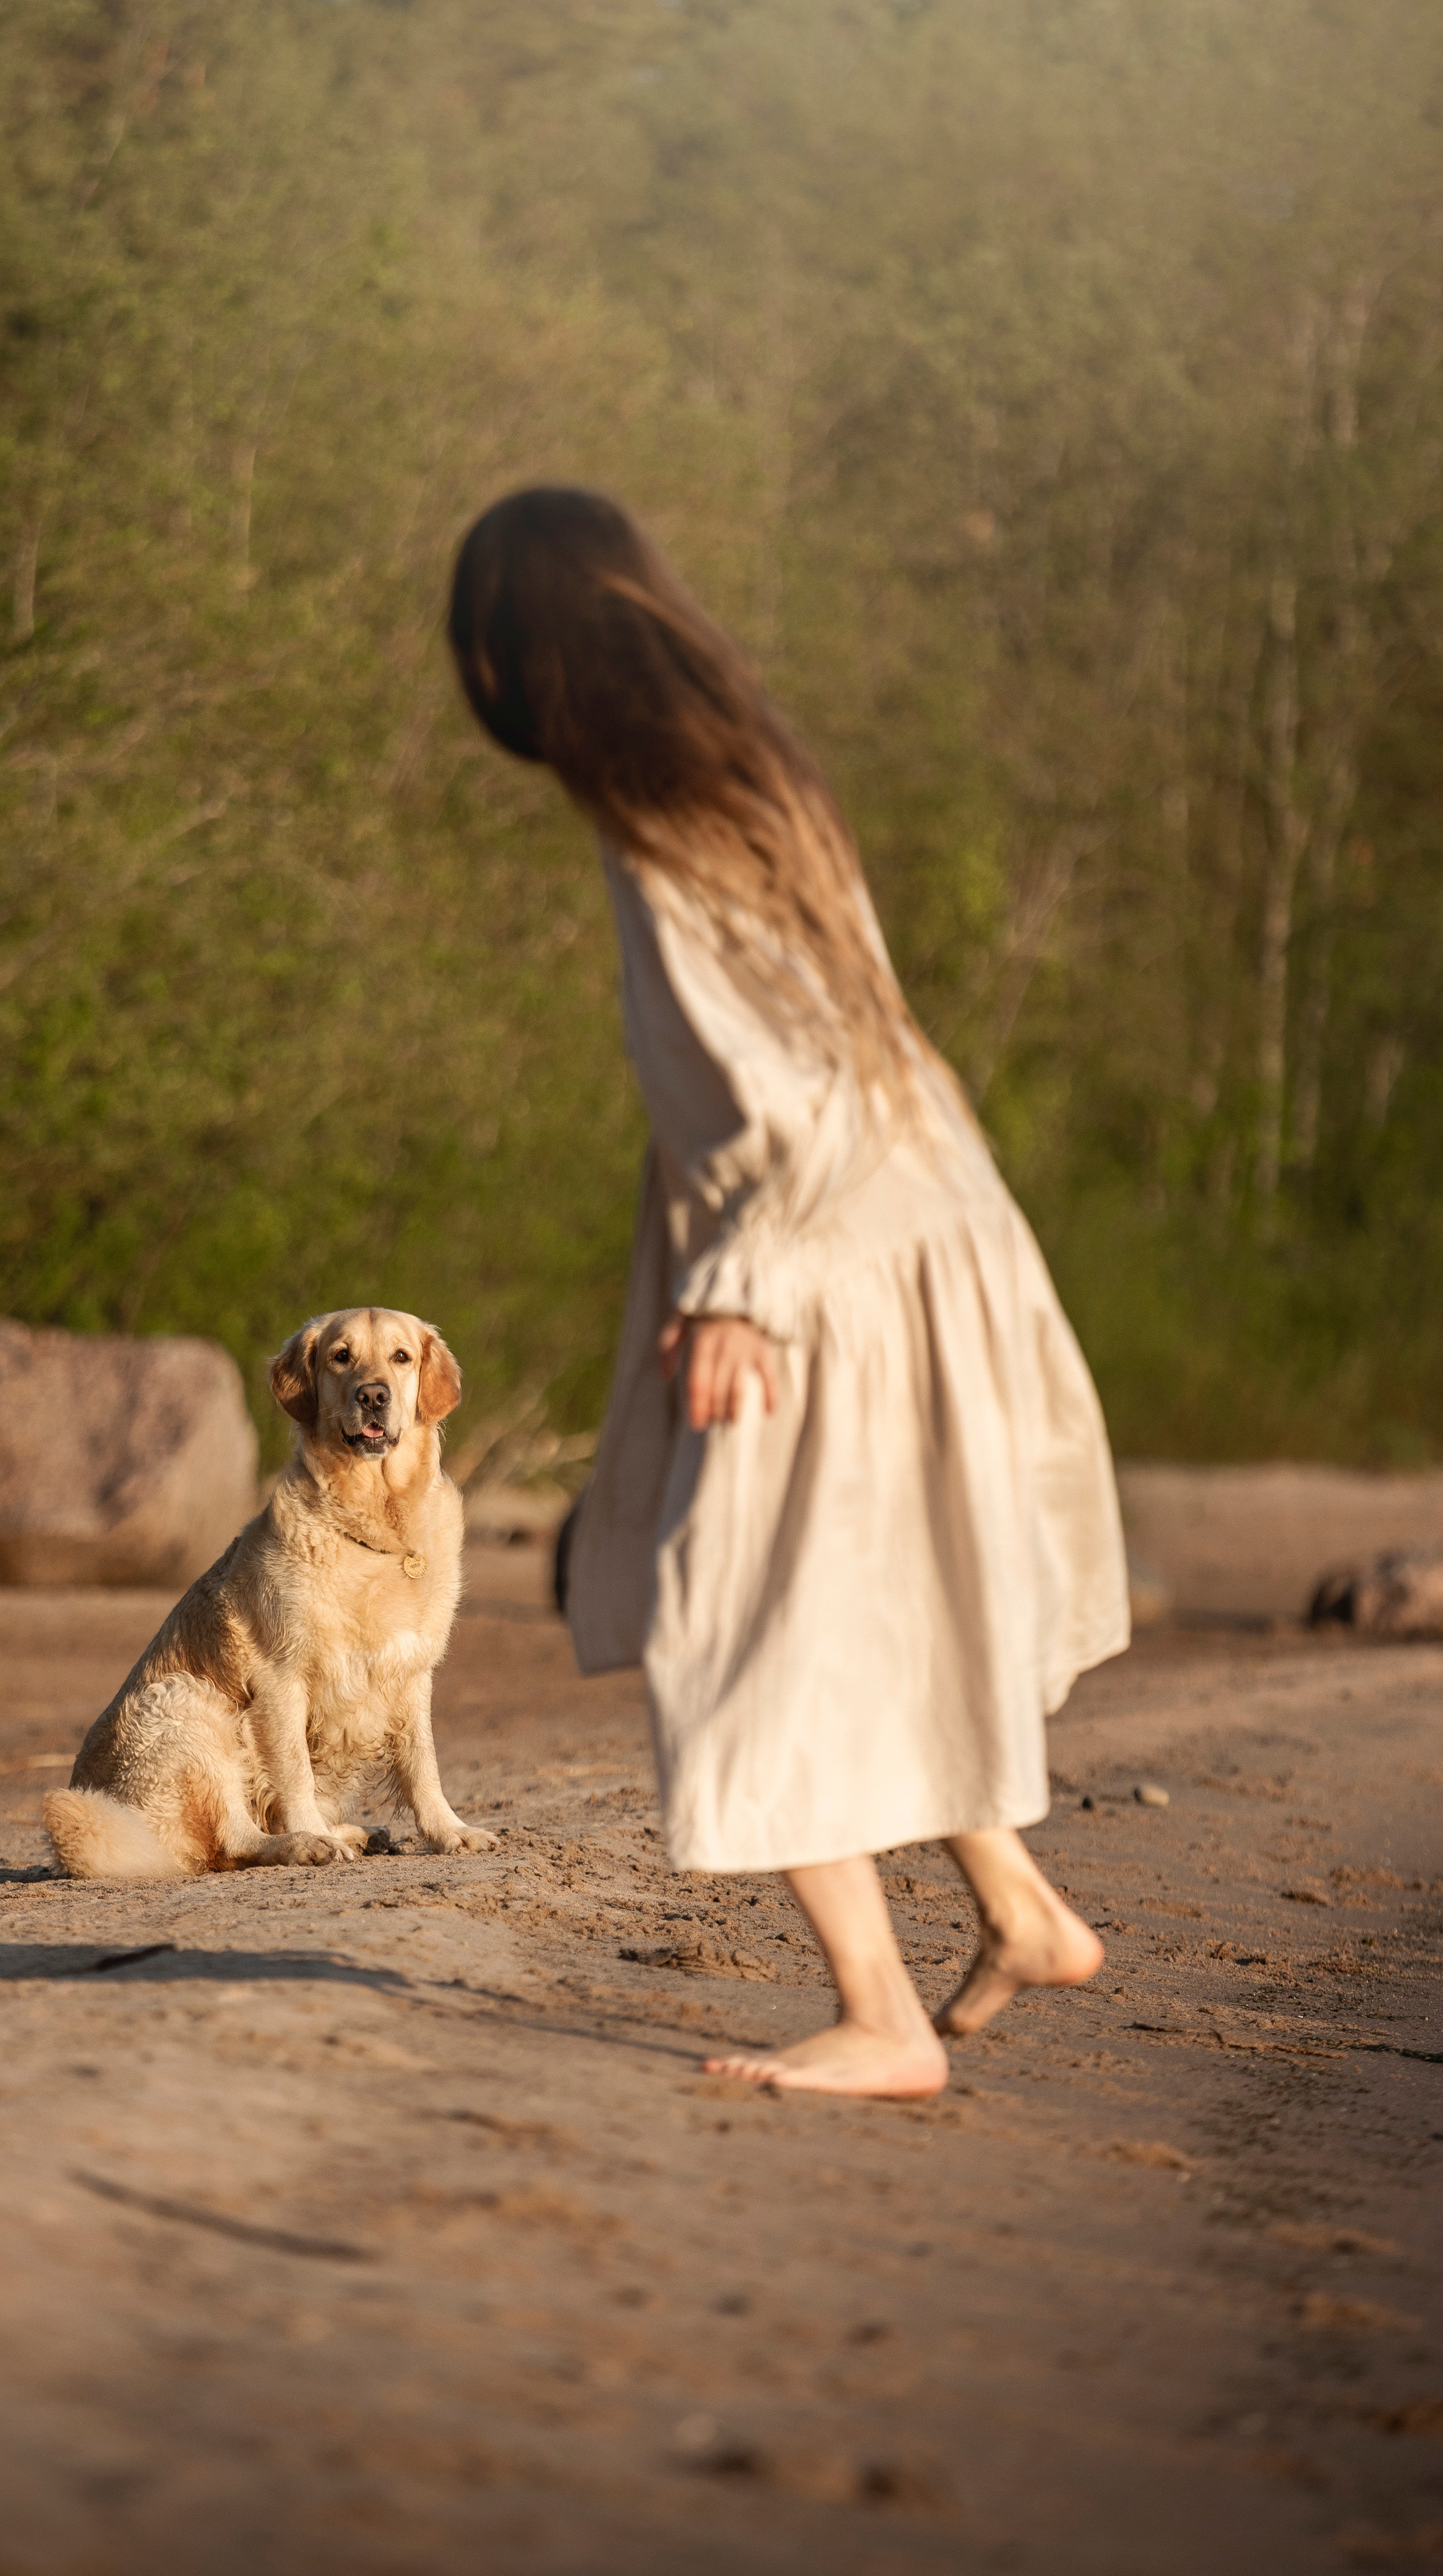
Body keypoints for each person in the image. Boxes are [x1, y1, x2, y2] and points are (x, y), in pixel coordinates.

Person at [447, 487, 1129, 2098]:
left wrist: (745, 1288)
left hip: (821, 1249)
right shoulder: (752, 779)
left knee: (736, 1611)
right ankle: (1018, 1910)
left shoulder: (670, 827)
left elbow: (804, 1083)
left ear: (523, 654)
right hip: (911, 1223)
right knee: (861, 1592)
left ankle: (881, 2018)